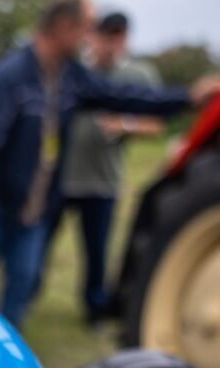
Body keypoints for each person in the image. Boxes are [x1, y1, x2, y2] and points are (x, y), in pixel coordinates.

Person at [0, 0, 220, 329]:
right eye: (86, 29)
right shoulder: (10, 78)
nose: (90, 38)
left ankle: (5, 344)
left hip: (36, 211)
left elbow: (124, 95)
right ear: (63, 28)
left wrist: (187, 97)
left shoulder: (69, 77)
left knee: (22, 284)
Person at [48, 11, 164, 325]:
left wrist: (124, 124)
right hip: (64, 178)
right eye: (106, 34)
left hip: (103, 182)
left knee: (96, 253)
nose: (111, 42)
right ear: (94, 36)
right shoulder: (78, 71)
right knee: (41, 243)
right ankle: (25, 296)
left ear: (125, 38)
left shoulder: (137, 75)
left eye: (118, 35)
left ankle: (94, 310)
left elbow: (157, 124)